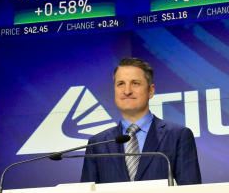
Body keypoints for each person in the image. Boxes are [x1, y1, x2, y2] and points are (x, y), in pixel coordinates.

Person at [81, 57, 201, 185]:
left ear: (151, 91)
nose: (127, 91)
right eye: (121, 84)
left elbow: (191, 192)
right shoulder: (97, 144)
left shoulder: (178, 136)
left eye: (135, 83)